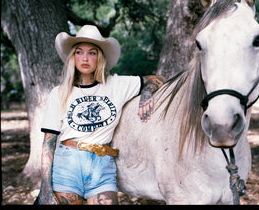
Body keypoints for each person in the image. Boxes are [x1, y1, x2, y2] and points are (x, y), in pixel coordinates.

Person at [37, 25, 166, 205]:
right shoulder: (58, 93)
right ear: (73, 57)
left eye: (92, 53)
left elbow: (157, 79)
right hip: (67, 165)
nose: (85, 58)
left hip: (102, 166)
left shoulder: (117, 85)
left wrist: (146, 93)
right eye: (79, 52)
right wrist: (45, 188)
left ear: (100, 58)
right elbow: (49, 142)